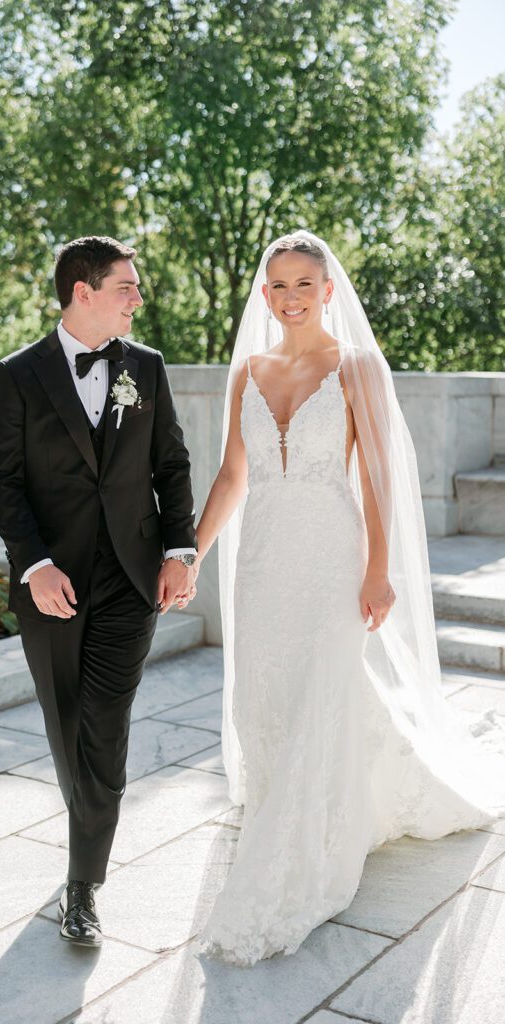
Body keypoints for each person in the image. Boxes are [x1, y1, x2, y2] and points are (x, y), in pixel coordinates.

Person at [192, 230, 505, 966]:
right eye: (278, 285)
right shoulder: (248, 373)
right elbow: (232, 477)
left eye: (304, 282)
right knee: (268, 694)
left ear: (328, 290)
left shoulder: (355, 365)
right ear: (263, 295)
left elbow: (376, 477)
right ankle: (283, 803)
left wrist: (378, 567)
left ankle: (304, 847)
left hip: (332, 556)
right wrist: (190, 551)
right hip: (264, 559)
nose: (291, 297)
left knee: (322, 690)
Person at [0, 236, 197, 947]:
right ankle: (86, 838)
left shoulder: (148, 368)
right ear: (83, 291)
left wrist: (179, 550)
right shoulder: (17, 375)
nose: (139, 298)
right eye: (127, 287)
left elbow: (170, 462)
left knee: (102, 728)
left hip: (131, 581)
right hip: (52, 586)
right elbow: (3, 484)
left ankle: (83, 887)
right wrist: (34, 565)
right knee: (64, 723)